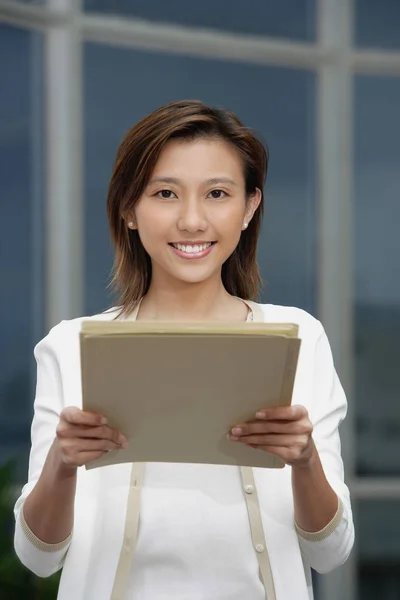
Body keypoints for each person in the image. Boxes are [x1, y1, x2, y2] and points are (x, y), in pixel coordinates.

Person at [14, 100, 354, 600]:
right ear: (129, 209)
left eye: (217, 193)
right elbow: (38, 558)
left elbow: (331, 553)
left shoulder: (299, 335)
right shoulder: (70, 346)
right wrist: (62, 465)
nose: (192, 221)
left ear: (249, 208)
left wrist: (304, 461)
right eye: (166, 193)